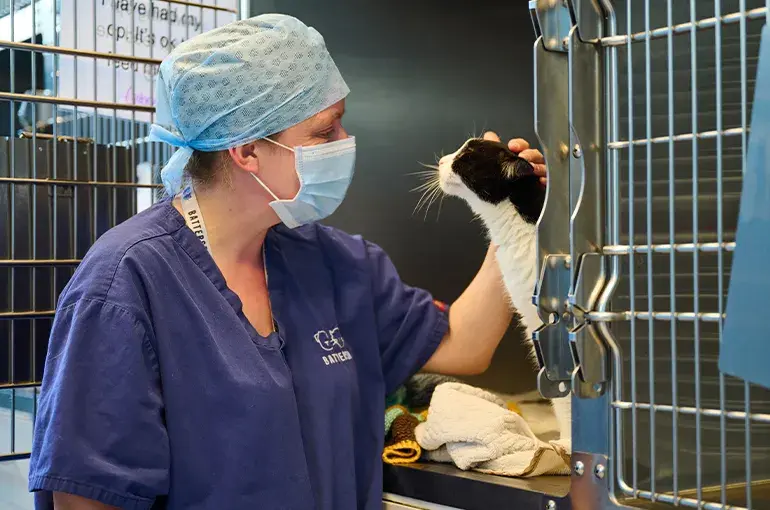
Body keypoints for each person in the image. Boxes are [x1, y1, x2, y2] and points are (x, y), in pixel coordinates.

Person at [28, 13, 547, 510]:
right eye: (325, 132)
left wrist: (508, 217)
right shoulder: (127, 282)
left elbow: (465, 346)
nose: (345, 144)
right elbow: (86, 496)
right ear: (247, 151)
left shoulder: (335, 262)